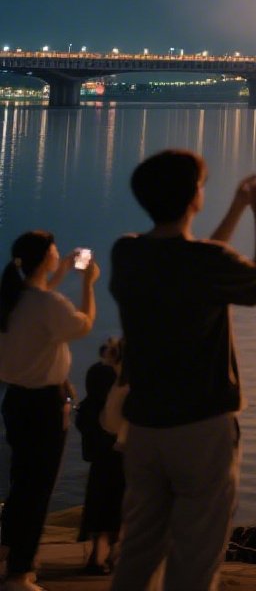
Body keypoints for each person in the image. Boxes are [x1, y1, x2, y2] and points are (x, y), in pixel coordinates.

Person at [109, 151, 256, 591]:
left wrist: (237, 208)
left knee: (138, 550)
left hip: (143, 427)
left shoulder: (127, 254)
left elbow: (195, 258)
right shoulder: (205, 265)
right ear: (193, 198)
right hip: (201, 429)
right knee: (196, 557)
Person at [0, 230, 97, 591]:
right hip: (44, 405)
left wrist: (60, 276)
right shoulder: (46, 305)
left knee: (22, 483)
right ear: (45, 258)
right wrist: (88, 283)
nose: (59, 253)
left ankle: (10, 554)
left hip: (15, 402)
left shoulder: (12, 299)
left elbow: (42, 300)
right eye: (55, 251)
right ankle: (19, 573)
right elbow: (83, 323)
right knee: (38, 489)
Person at [76, 337, 127, 575]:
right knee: (119, 504)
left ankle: (97, 556)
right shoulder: (121, 381)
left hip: (100, 456)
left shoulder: (97, 375)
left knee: (99, 503)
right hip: (119, 452)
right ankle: (114, 556)